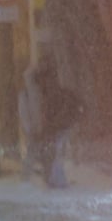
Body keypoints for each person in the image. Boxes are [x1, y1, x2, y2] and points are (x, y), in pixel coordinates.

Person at [34, 59, 83, 189]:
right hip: (61, 125)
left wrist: (52, 124)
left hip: (60, 126)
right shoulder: (55, 91)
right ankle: (55, 179)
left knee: (56, 153)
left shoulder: (53, 93)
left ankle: (57, 180)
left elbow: (53, 112)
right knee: (55, 153)